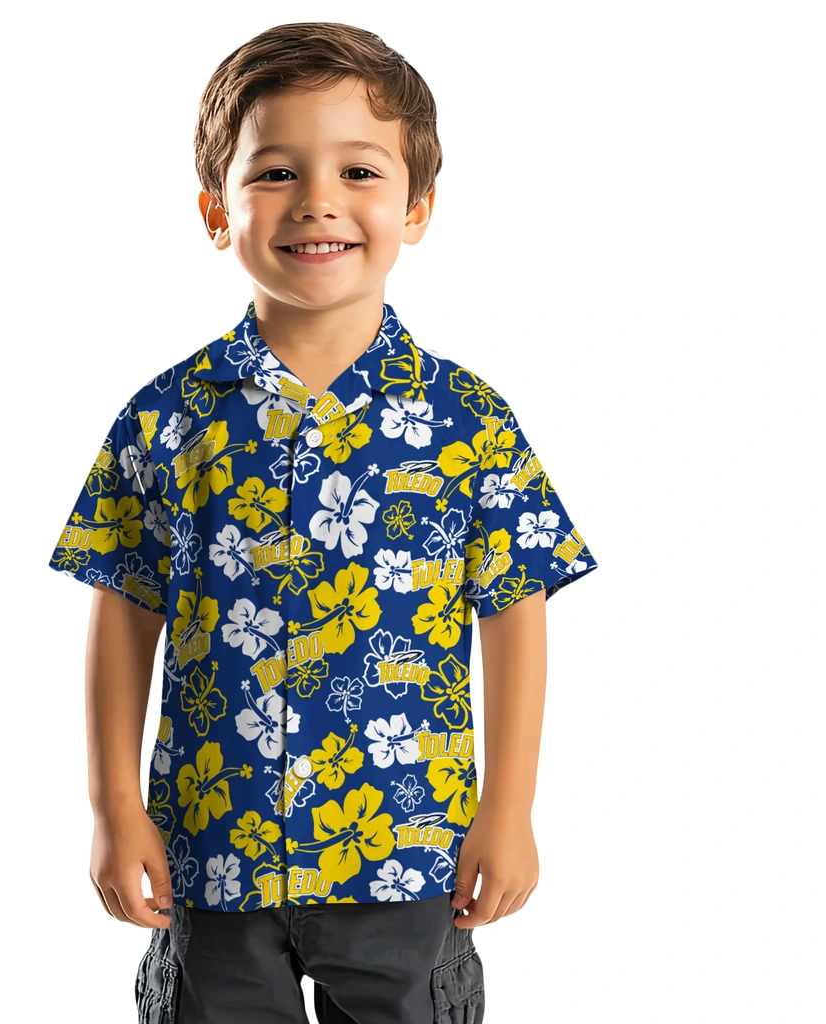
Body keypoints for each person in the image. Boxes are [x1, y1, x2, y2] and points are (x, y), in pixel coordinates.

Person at [48, 21, 599, 1024]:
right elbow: (124, 611)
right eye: (275, 173)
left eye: (358, 170)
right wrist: (113, 806)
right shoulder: (168, 417)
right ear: (216, 211)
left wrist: (510, 809)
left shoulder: (466, 420)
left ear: (416, 207)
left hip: (407, 850)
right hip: (211, 849)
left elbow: (515, 609)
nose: (317, 201)